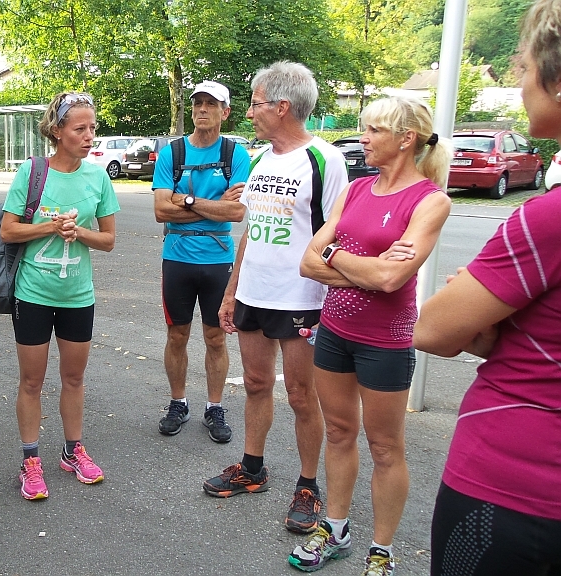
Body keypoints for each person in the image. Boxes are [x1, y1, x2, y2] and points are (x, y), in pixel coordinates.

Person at [415, 1, 561, 573]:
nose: (521, 85)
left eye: (525, 69)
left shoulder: (545, 219)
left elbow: (433, 329)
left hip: (514, 488)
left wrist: (488, 327)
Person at [290, 96, 451, 576]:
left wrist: (337, 257)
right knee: (339, 432)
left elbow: (390, 282)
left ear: (406, 139)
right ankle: (334, 529)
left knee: (385, 447)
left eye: (373, 130)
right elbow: (307, 261)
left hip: (386, 340)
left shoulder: (430, 200)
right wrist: (362, 265)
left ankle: (381, 550)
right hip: (334, 330)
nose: (363, 137)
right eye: (363, 128)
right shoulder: (357, 189)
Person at [206, 61, 349, 536]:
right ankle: (252, 468)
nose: (249, 112)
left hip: (301, 297)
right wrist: (231, 290)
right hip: (253, 291)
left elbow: (337, 235)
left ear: (283, 107)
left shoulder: (325, 159)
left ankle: (308, 485)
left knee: (302, 394)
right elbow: (252, 231)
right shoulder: (264, 158)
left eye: (255, 103)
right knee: (254, 382)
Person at [0, 92, 119, 501]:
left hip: (77, 294)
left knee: (74, 377)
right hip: (33, 292)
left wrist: (78, 232)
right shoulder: (31, 173)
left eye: (92, 128)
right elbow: (8, 231)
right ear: (57, 131)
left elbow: (108, 240)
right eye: (79, 129)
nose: (89, 136)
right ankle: (30, 461)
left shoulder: (98, 177)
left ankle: (72, 451)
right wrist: (50, 228)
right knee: (31, 381)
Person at [152, 81, 249, 442]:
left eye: (211, 104)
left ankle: (214, 406)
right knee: (176, 335)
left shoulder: (235, 154)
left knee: (215, 338)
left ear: (225, 112)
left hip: (217, 258)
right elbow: (161, 210)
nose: (202, 109)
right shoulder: (172, 154)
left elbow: (236, 212)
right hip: (177, 256)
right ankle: (178, 402)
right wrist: (212, 208)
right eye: (198, 103)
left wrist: (187, 202)